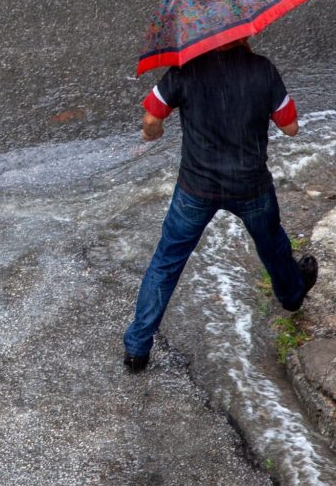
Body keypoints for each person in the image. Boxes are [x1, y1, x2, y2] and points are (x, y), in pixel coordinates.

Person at [122, 37, 317, 373]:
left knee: (166, 264)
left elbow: (152, 119)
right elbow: (291, 128)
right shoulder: (262, 70)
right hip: (251, 186)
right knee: (272, 245)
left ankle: (137, 349)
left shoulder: (185, 70)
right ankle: (292, 295)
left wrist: (153, 134)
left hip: (196, 190)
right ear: (244, 31)